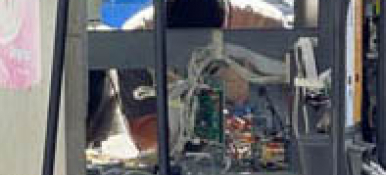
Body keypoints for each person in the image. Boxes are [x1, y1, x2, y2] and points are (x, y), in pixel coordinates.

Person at [91, 0, 287, 151]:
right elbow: (144, 137)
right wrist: (198, 123)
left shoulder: (264, 27)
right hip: (181, 168)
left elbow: (289, 112)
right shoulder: (138, 38)